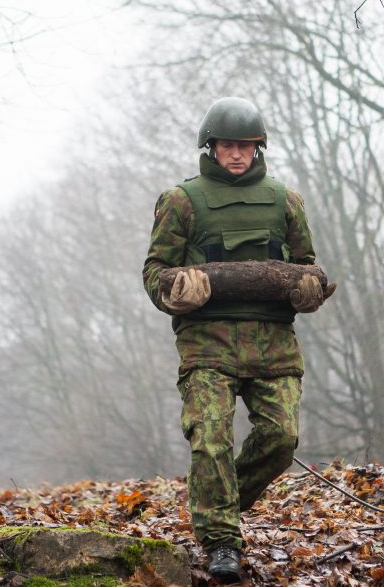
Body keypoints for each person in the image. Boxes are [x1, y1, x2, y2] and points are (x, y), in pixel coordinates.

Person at [142, 97, 334, 583]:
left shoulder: (285, 201)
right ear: (211, 147)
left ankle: (216, 504)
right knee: (210, 439)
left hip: (273, 342)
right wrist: (176, 288)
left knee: (280, 439)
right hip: (207, 341)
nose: (236, 155)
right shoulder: (181, 201)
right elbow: (154, 271)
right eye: (228, 145)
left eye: (245, 146)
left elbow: (305, 264)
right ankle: (221, 539)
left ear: (258, 148)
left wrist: (308, 287)